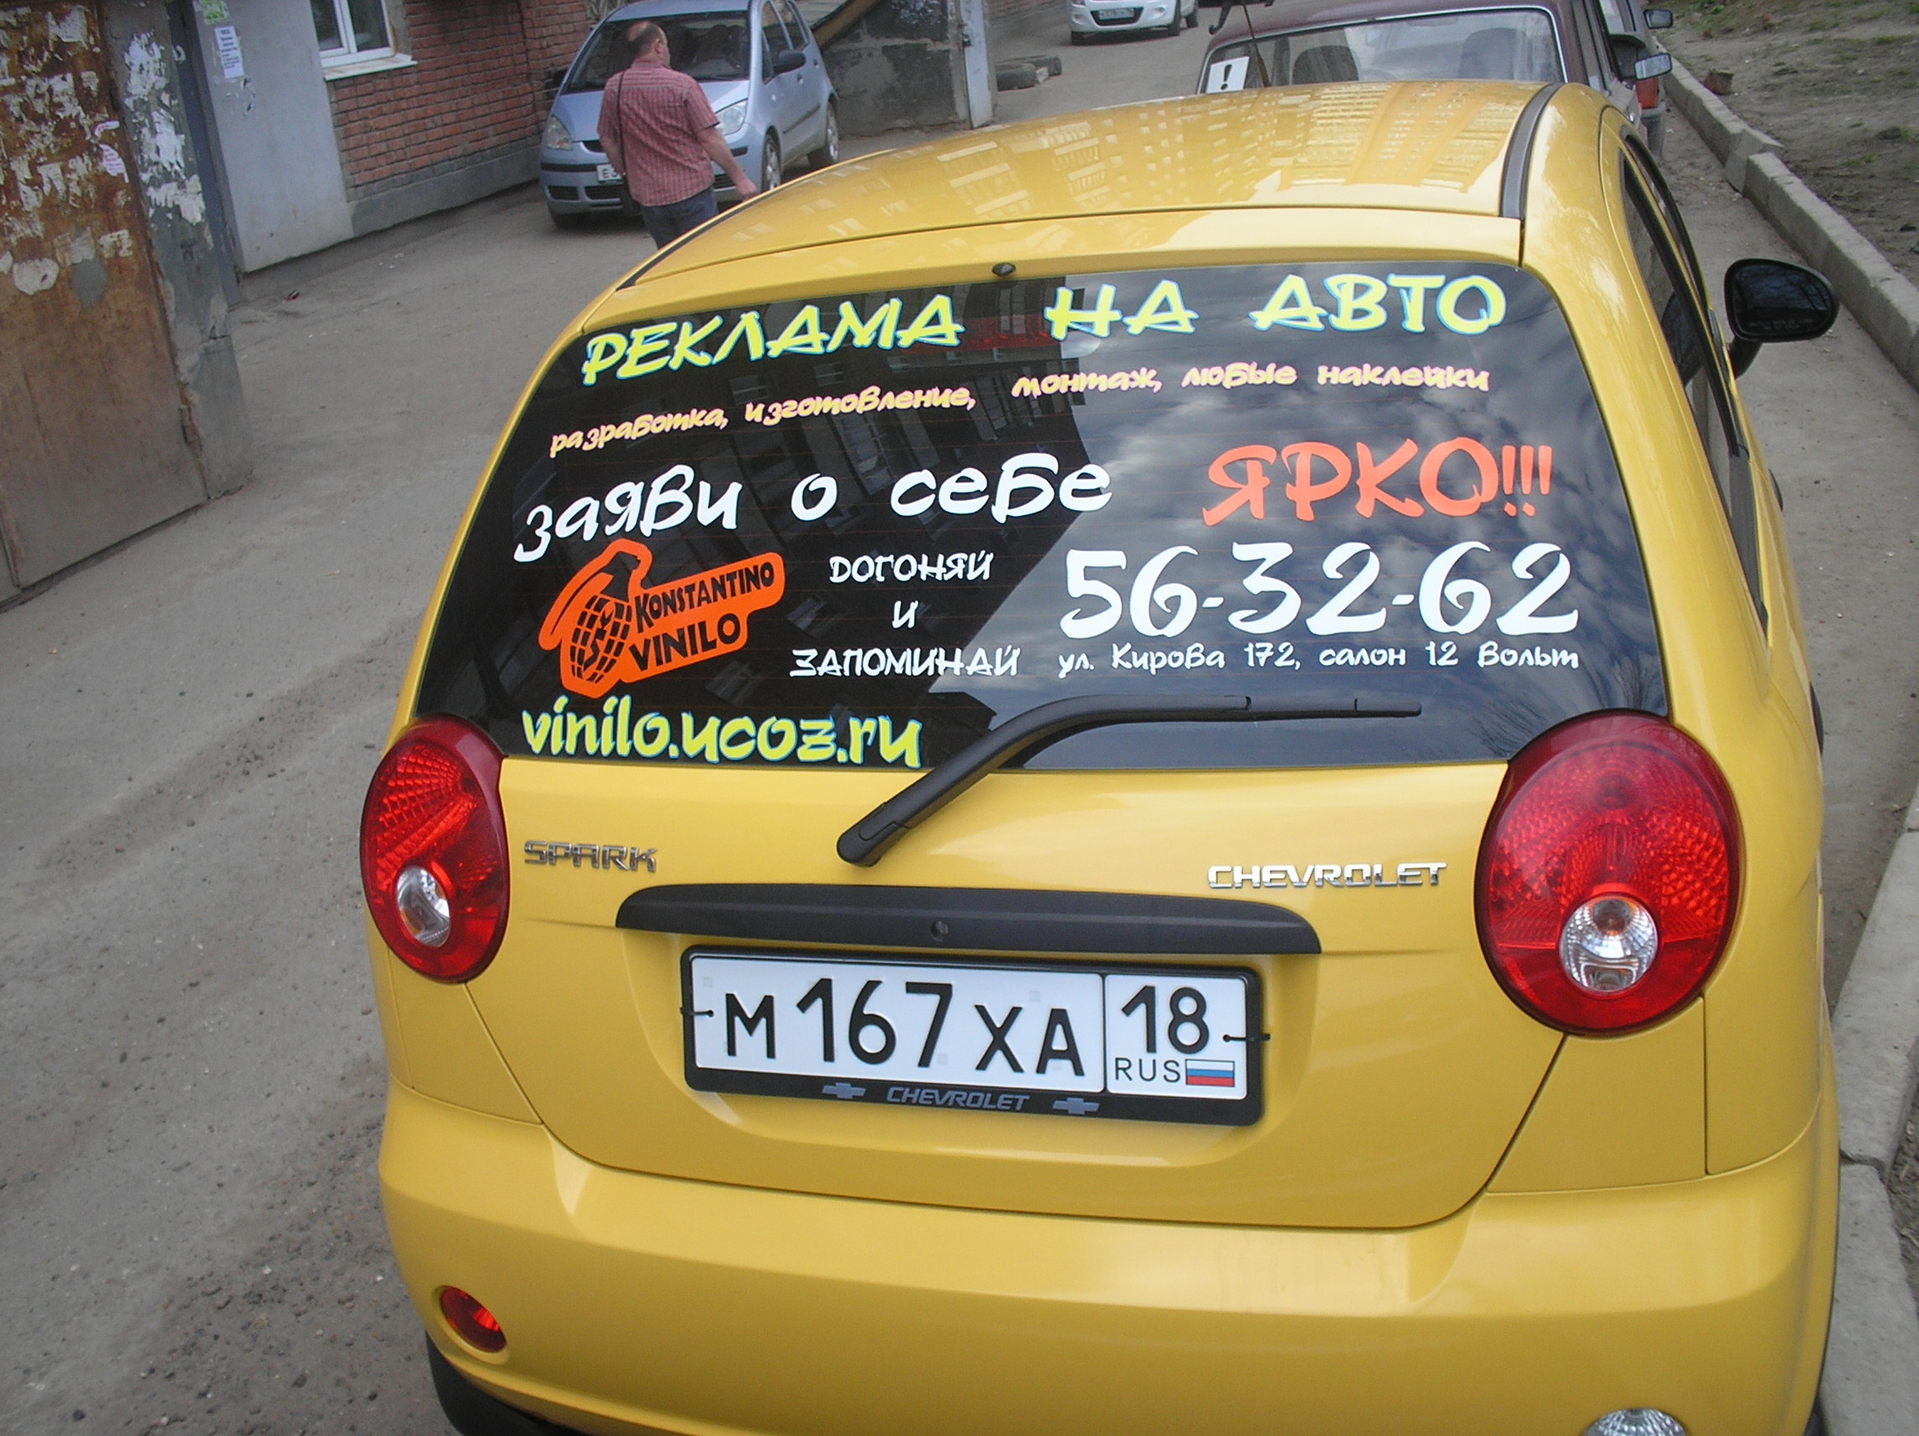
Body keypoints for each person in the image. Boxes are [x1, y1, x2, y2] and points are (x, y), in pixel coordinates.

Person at [596, 20, 758, 248]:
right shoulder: (682, 85)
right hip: (691, 190)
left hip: (649, 196)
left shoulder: (615, 87)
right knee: (703, 252)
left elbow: (607, 138)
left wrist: (625, 172)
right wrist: (739, 179)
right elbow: (708, 137)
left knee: (669, 258)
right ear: (658, 46)